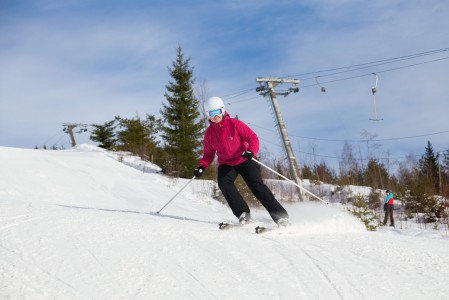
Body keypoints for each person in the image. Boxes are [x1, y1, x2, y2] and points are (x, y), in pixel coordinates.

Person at [193, 96, 290, 226]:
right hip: (226, 163)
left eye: (218, 112)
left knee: (257, 186)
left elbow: (253, 138)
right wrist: (202, 166)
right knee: (224, 183)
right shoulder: (209, 133)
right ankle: (243, 213)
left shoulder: (235, 124)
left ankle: (280, 216)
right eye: (212, 113)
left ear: (222, 110)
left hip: (244, 159)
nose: (215, 116)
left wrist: (251, 151)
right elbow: (208, 154)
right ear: (207, 115)